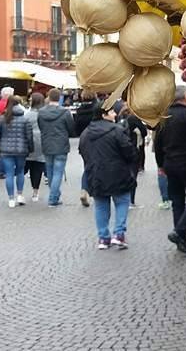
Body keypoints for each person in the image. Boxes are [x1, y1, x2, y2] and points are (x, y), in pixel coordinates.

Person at [80, 101, 137, 250]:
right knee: (122, 202)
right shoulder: (117, 130)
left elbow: (82, 151)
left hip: (96, 173)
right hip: (117, 172)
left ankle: (103, 238)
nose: (115, 114)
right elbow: (128, 150)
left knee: (100, 206)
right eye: (111, 112)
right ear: (104, 114)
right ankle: (119, 234)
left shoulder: (86, 132)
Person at [155, 85, 186, 253]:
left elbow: (158, 143)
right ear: (184, 97)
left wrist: (160, 164)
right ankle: (180, 231)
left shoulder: (165, 116)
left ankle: (182, 241)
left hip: (170, 164)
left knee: (177, 202)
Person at [38, 88, 75, 207]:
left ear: (48, 97)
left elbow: (40, 126)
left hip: (47, 143)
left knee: (50, 172)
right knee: (58, 172)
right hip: (61, 144)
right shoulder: (65, 112)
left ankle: (55, 194)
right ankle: (53, 198)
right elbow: (71, 128)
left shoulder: (41, 112)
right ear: (59, 98)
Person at [0, 96, 33, 208]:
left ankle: (11, 199)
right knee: (20, 172)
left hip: (6, 150)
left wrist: (0, 144)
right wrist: (30, 148)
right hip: (21, 150)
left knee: (9, 174)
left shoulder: (2, 118)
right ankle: (20, 195)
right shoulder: (25, 119)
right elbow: (29, 137)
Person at [120, 105, 147, 208]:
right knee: (132, 176)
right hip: (133, 150)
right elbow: (144, 132)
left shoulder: (121, 118)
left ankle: (124, 199)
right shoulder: (134, 119)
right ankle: (131, 201)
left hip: (123, 150)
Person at [24, 92, 46, 202]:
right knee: (37, 167)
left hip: (28, 141)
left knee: (24, 165)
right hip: (41, 140)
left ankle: (19, 191)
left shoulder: (26, 114)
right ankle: (35, 192)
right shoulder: (44, 114)